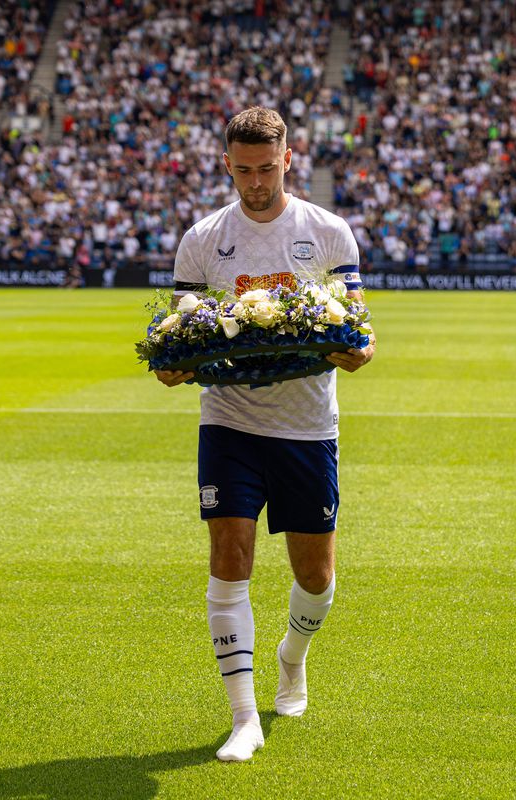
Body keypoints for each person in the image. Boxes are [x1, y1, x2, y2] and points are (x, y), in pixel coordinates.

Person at [154, 107, 375, 763]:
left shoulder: (327, 232)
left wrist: (358, 350)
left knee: (316, 576)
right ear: (228, 164)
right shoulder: (201, 239)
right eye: (243, 170)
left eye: (266, 169)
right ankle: (243, 717)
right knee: (230, 556)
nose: (255, 183)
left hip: (308, 424)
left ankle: (292, 656)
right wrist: (173, 363)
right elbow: (180, 329)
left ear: (288, 160)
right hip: (231, 422)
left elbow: (357, 326)